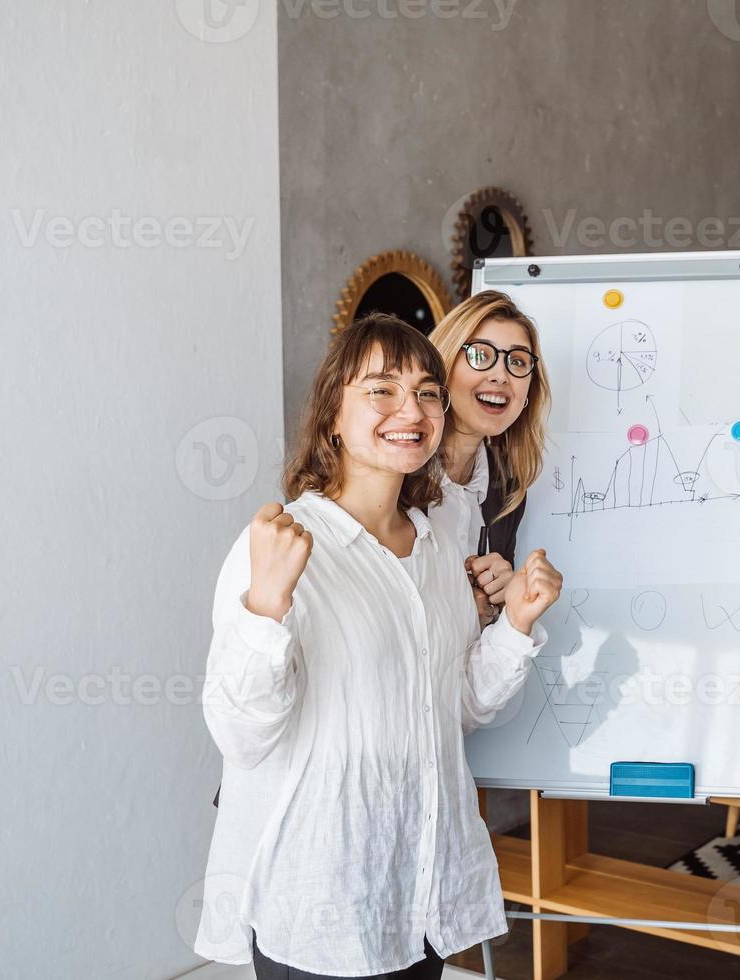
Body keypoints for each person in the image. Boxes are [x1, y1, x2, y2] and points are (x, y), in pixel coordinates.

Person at [194, 313, 564, 979]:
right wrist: (266, 608)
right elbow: (242, 737)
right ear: (332, 412)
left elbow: (456, 708)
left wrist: (515, 625)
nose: (411, 409)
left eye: (427, 392)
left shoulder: (435, 546)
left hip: (417, 891)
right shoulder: (283, 546)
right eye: (381, 389)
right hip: (322, 903)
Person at [428, 290, 549, 625]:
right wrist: (459, 608)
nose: (500, 375)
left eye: (518, 361)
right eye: (480, 356)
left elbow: (489, 640)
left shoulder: (508, 489)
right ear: (445, 364)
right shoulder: (396, 472)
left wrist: (504, 600)